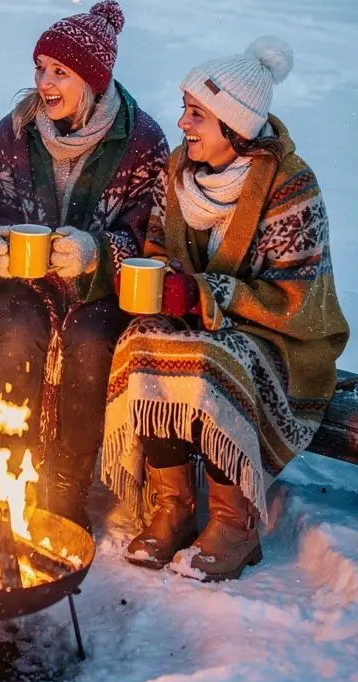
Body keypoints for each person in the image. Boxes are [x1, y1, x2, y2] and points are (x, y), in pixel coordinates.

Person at [102, 37, 349, 581]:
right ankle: (175, 508)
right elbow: (160, 252)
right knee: (142, 340)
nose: (183, 124)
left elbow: (297, 300)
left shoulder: (289, 187)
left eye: (197, 115)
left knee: (216, 361)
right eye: (185, 110)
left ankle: (235, 526)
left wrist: (203, 295)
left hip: (282, 337)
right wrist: (156, 282)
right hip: (203, 321)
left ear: (235, 128)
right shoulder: (179, 170)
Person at [0, 0, 169, 529]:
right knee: (15, 327)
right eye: (40, 67)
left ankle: (67, 484)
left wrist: (98, 255)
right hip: (28, 283)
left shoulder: (141, 142)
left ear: (93, 79)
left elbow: (151, 234)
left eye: (60, 71)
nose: (44, 82)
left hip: (101, 293)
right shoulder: (16, 131)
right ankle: (4, 466)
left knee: (86, 339)